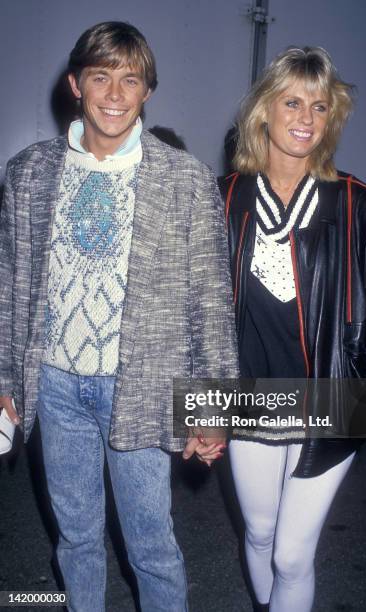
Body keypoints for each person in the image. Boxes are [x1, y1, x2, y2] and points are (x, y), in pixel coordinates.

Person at [0, 21, 238, 612]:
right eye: (101, 77)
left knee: (151, 546)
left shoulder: (184, 180)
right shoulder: (28, 172)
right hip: (54, 386)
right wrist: (6, 381)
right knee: (76, 537)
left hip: (141, 387)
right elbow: (9, 285)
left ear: (147, 91)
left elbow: (211, 300)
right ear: (75, 84)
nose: (114, 93)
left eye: (129, 79)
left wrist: (215, 408)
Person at [219, 47, 366, 612]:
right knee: (257, 534)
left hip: (333, 400)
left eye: (321, 106)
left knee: (291, 554)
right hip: (246, 397)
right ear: (264, 112)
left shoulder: (361, 206)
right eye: (292, 102)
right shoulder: (225, 198)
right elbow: (198, 307)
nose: (306, 117)